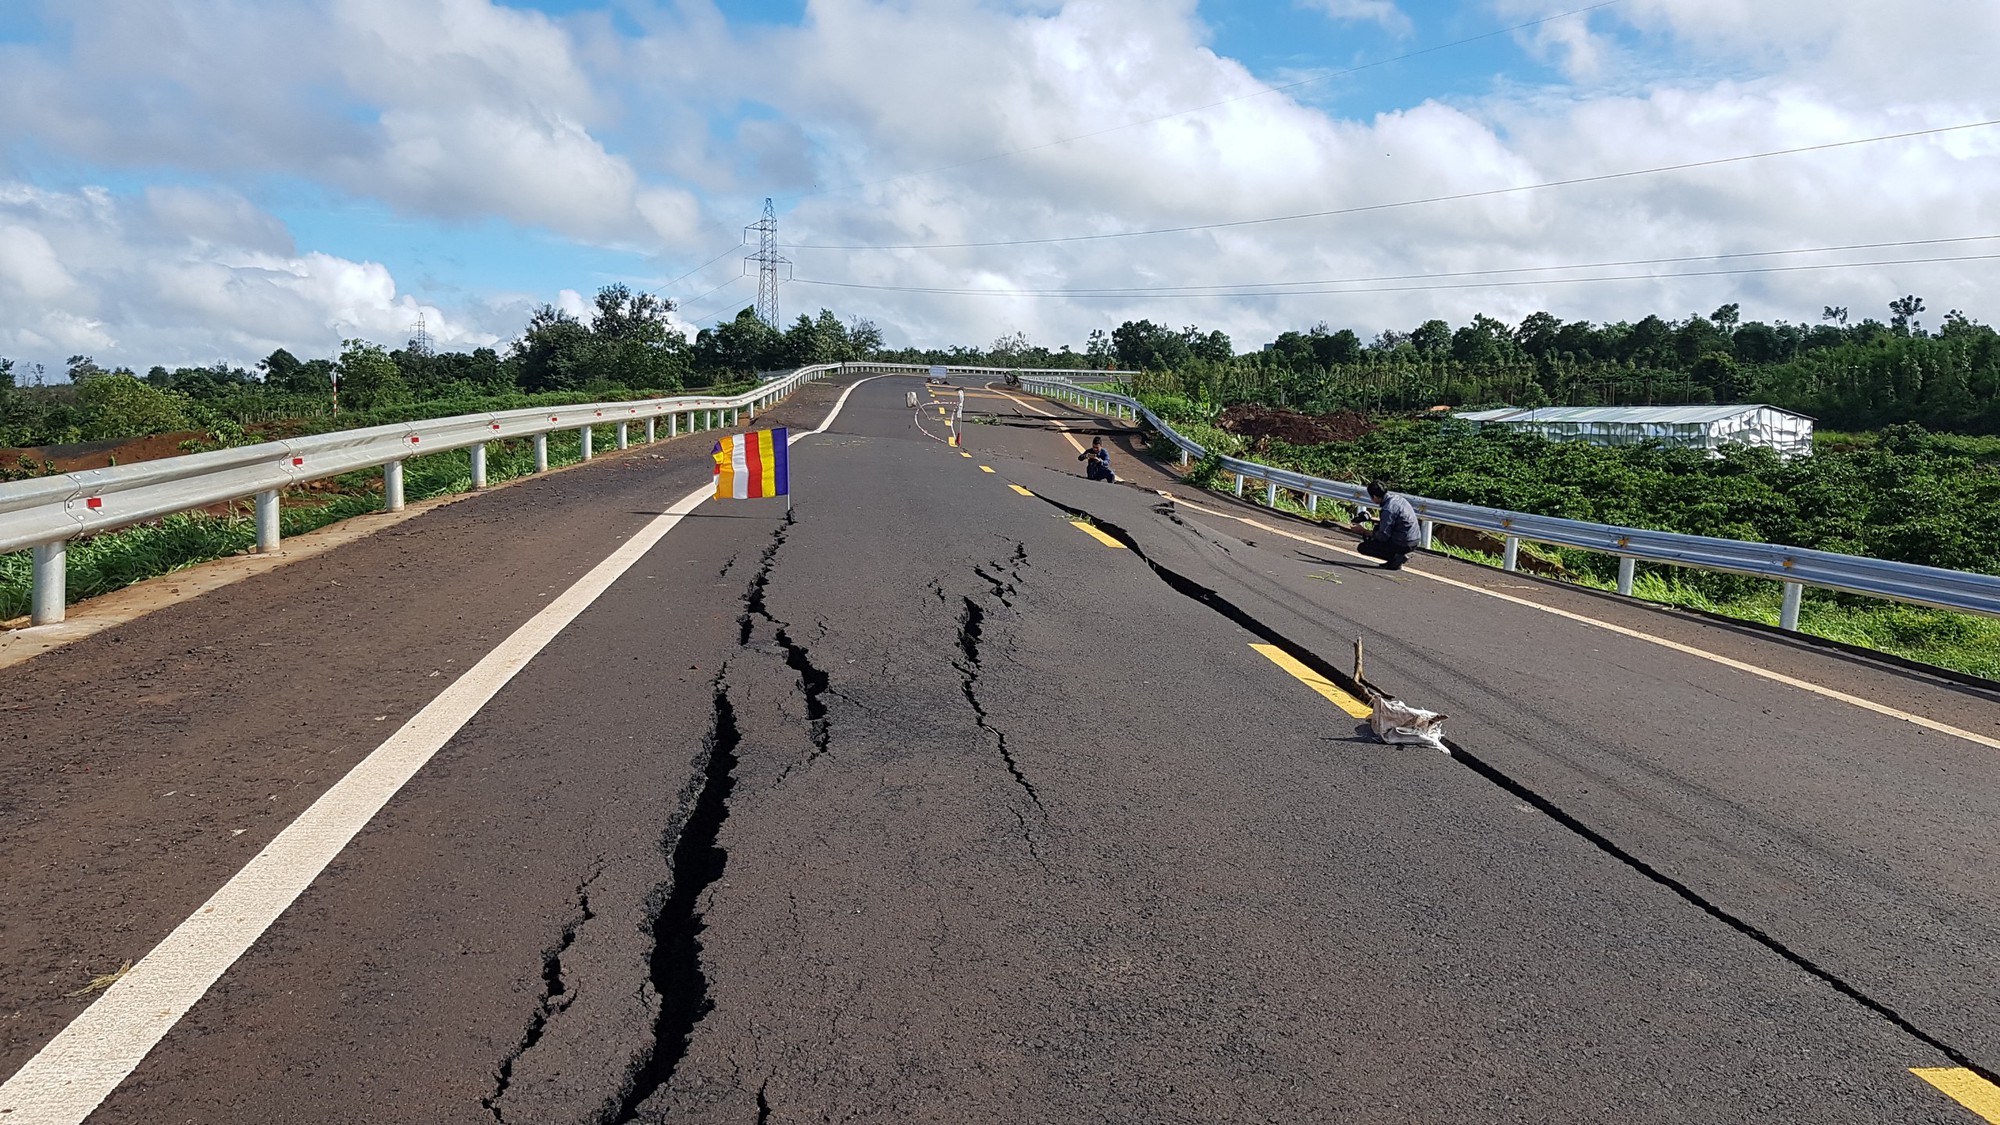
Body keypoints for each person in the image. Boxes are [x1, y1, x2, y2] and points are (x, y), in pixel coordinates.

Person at [1351, 480, 1420, 569]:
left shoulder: (1388, 509)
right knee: (1377, 528)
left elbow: (1383, 536)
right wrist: (1371, 520)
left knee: (1363, 547)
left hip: (1404, 542)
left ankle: (1396, 557)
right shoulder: (1398, 499)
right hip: (1414, 539)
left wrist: (1363, 531)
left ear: (1375, 496)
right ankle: (1394, 559)